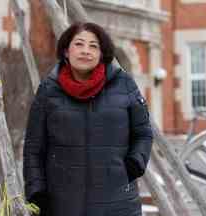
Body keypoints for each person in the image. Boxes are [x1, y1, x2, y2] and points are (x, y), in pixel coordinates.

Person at [23, 22, 153, 216]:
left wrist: (133, 165)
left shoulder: (124, 85)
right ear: (66, 51)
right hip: (62, 204)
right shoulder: (49, 91)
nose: (86, 51)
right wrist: (36, 190)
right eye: (79, 44)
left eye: (94, 46)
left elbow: (143, 133)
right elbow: (34, 146)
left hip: (117, 202)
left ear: (102, 54)